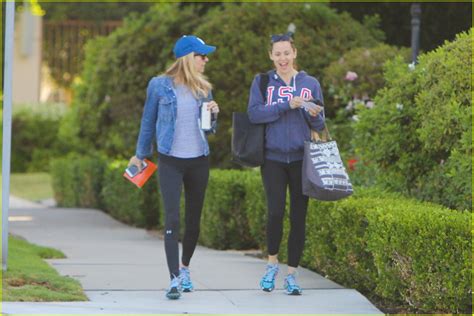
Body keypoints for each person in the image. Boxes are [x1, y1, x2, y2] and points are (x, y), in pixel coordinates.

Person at [128, 35, 219, 300]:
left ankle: (185, 268)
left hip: (199, 160)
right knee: (172, 219)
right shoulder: (159, 86)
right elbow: (148, 122)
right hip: (170, 160)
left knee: (193, 221)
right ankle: (173, 279)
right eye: (202, 55)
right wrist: (140, 155)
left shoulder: (204, 88)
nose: (206, 59)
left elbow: (209, 130)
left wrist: (213, 115)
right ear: (189, 57)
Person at [247, 33, 325, 295]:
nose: (282, 58)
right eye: (277, 53)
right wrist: (285, 105)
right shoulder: (262, 82)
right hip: (273, 158)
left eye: (286, 53)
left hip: (302, 159)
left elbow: (320, 123)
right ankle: (271, 265)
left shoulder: (310, 83)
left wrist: (313, 113)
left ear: (295, 53)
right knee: (276, 212)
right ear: (271, 56)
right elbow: (255, 114)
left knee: (299, 217)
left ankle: (292, 274)